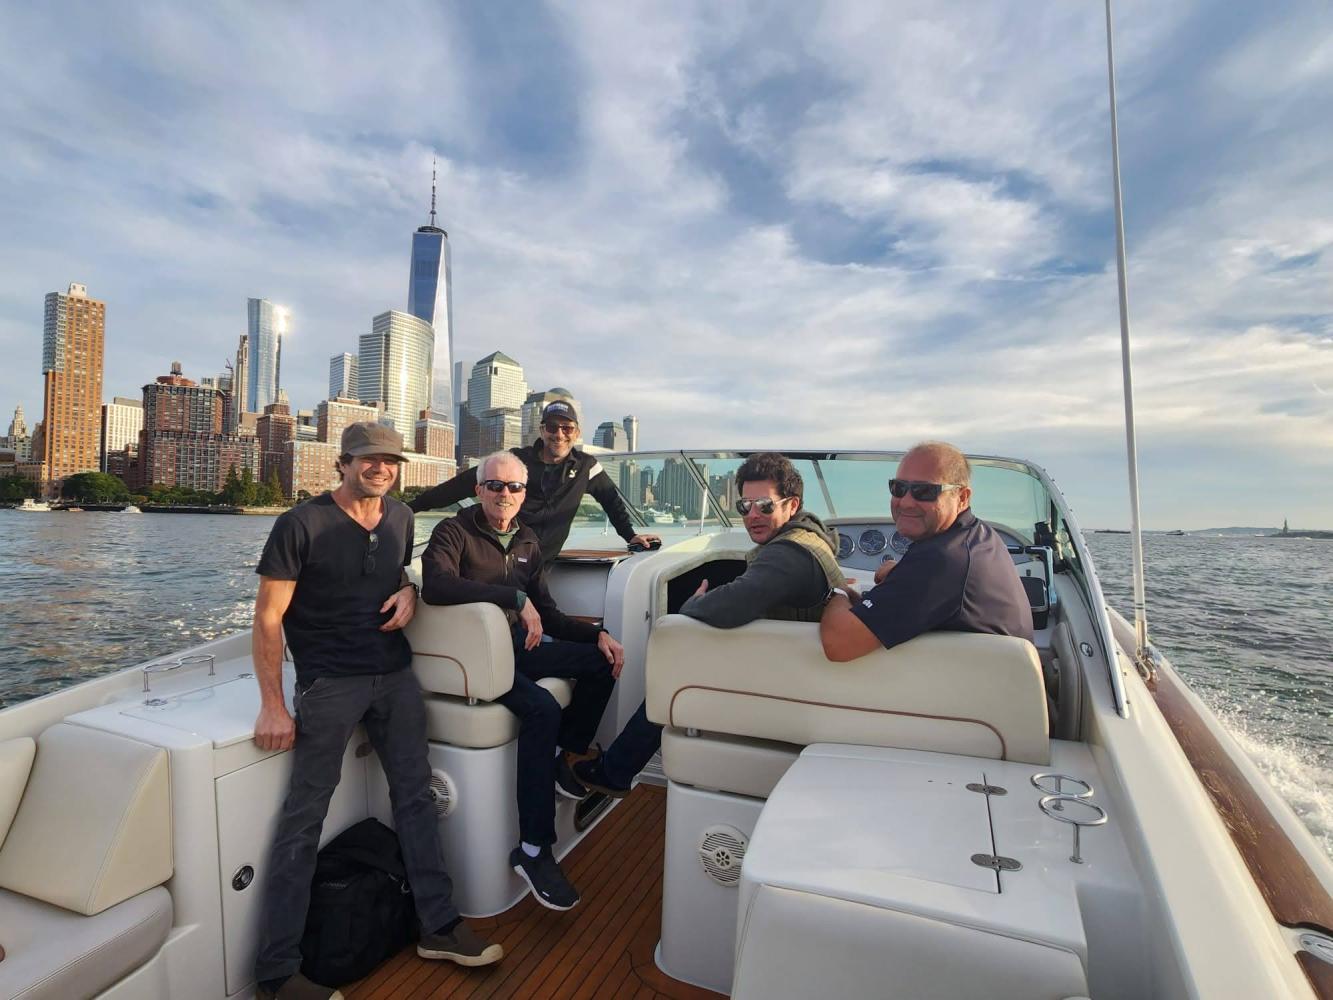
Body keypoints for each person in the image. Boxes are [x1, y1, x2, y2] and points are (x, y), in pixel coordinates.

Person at [251, 423, 501, 1000]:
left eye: (390, 460)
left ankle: (437, 926)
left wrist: (410, 591)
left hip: (394, 677)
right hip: (330, 685)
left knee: (415, 798)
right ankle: (278, 973)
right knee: (302, 819)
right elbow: (268, 619)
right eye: (369, 460)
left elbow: (393, 576)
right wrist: (273, 705)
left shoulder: (401, 518)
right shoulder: (300, 525)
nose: (381, 469)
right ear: (343, 463)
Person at [420, 450, 625, 912]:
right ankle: (533, 849)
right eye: (495, 485)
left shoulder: (527, 540)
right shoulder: (454, 532)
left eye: (514, 488)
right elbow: (436, 585)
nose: (504, 495)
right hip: (477, 662)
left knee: (602, 661)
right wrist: (511, 594)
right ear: (478, 490)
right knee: (542, 708)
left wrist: (599, 636)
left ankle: (559, 755)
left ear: (523, 494)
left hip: (518, 650)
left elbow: (547, 613)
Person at [574, 452, 845, 799]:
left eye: (764, 505)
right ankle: (618, 767)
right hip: (806, 669)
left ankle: (615, 771)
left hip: (795, 685)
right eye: (744, 506)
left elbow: (729, 605)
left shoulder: (788, 555)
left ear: (791, 505)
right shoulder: (811, 537)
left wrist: (693, 605)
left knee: (679, 671)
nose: (753, 516)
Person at [819, 441, 1034, 661]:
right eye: (899, 488)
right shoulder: (977, 537)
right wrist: (901, 573)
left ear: (962, 497)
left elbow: (839, 643)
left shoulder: (943, 561)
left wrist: (838, 592)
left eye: (925, 491)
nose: (907, 502)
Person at [409, 399, 659, 566]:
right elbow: (460, 485)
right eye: (552, 427)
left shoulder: (586, 467)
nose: (559, 434)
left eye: (566, 428)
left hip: (539, 563)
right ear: (542, 430)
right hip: (498, 556)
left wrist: (630, 535)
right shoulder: (517, 460)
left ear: (576, 433)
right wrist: (411, 508)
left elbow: (611, 502)